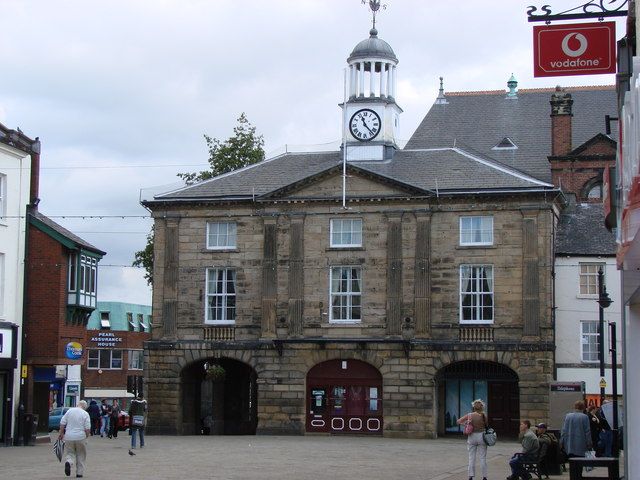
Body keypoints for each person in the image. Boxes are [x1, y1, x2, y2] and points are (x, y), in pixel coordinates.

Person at [456, 399, 488, 480]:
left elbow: (458, 421)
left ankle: (471, 476)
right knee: (482, 457)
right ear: (482, 407)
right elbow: (486, 426)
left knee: (471, 457)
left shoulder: (470, 415)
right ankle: (484, 477)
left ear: (473, 407)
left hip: (472, 436)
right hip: (482, 436)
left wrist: (466, 424)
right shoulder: (484, 415)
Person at [58, 400, 91, 478]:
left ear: (77, 405)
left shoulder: (69, 411)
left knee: (70, 452)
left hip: (69, 436)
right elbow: (87, 428)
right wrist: (86, 436)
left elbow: (62, 423)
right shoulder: (85, 414)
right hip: (80, 436)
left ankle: (69, 462)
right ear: (85, 407)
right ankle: (79, 473)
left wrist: (61, 434)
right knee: (81, 454)